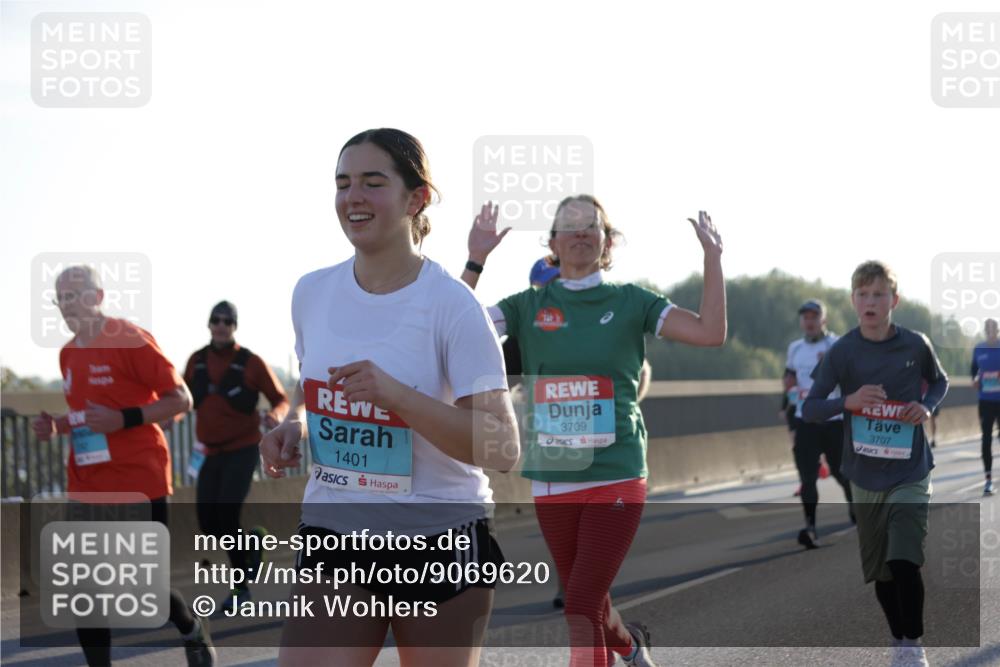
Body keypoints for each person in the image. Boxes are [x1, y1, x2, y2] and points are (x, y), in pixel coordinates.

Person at [259, 128, 520, 667]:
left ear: (416, 198)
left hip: (439, 541)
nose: (353, 197)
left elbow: (501, 447)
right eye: (343, 183)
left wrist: (397, 395)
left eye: (373, 183)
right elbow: (329, 394)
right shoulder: (311, 292)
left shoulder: (452, 306)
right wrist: (301, 428)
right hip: (336, 533)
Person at [463, 196, 726, 667]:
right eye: (570, 226)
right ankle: (631, 650)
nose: (581, 233)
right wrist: (475, 260)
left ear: (607, 241)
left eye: (591, 226)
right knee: (593, 601)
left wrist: (712, 259)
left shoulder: (632, 301)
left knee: (580, 603)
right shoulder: (528, 306)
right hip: (553, 473)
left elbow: (710, 332)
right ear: (553, 242)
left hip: (617, 469)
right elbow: (455, 330)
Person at [32, 265, 215, 667]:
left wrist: (124, 419)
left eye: (75, 295)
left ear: (97, 297)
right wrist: (57, 425)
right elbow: (85, 414)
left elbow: (180, 399)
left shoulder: (129, 339)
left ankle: (191, 628)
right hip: (87, 482)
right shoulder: (68, 353)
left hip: (139, 478)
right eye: (60, 298)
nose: (66, 305)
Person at [803, 260, 947, 667]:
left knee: (904, 558)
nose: (870, 301)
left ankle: (914, 645)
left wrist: (927, 405)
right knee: (882, 570)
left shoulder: (915, 344)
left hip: (910, 469)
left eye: (879, 294)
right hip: (865, 475)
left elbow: (940, 381)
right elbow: (811, 407)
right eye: (863, 294)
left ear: (893, 300)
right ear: (852, 301)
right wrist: (846, 402)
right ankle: (898, 639)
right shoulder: (842, 351)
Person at [182, 300, 289, 611]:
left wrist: (276, 416)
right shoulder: (196, 361)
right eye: (215, 319)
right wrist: (167, 418)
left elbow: (280, 398)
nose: (221, 325)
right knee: (208, 521)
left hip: (242, 449)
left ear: (234, 326)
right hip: (209, 451)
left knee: (227, 515)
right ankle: (252, 543)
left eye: (227, 321)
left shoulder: (250, 362)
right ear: (209, 324)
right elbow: (182, 400)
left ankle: (240, 587)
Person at [783, 299, 854, 548]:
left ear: (823, 320)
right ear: (801, 321)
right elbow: (789, 377)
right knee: (808, 477)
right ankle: (810, 527)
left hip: (833, 420)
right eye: (806, 317)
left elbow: (852, 378)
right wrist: (788, 399)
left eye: (815, 317)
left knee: (840, 472)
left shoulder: (836, 344)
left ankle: (856, 510)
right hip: (806, 420)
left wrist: (832, 365)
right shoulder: (795, 348)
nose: (810, 322)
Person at [972, 317, 1000, 495]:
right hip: (985, 400)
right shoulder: (978, 349)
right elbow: (973, 370)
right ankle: (988, 480)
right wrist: (975, 380)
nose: (991, 332)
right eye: (988, 329)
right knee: (986, 439)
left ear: (998, 331)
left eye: (994, 329)